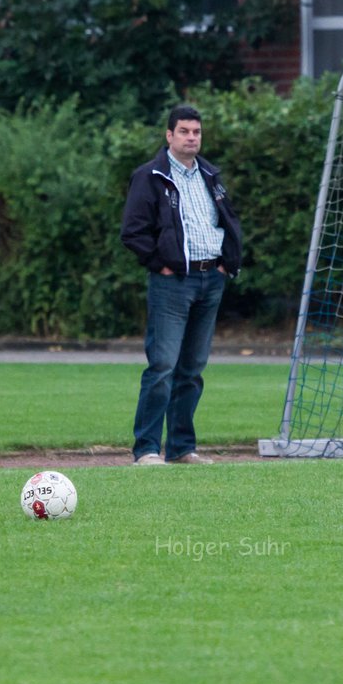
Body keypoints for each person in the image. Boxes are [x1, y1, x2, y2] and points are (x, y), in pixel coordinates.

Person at [120, 105, 242, 465]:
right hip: (172, 283)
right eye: (185, 131)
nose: (192, 137)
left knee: (192, 369)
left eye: (197, 132)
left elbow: (227, 220)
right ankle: (146, 450)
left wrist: (225, 264)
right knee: (162, 367)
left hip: (211, 279)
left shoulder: (210, 175)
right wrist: (162, 265)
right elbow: (132, 232)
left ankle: (182, 448)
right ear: (169, 135)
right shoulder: (150, 176)